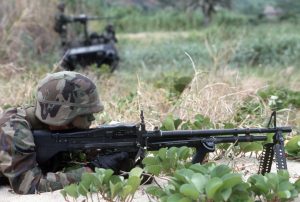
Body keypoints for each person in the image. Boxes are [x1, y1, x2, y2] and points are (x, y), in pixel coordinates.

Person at [0, 71, 128, 194]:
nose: (92, 119)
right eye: (86, 115)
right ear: (63, 116)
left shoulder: (56, 132)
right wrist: (92, 170)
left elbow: (72, 162)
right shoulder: (13, 128)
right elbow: (28, 185)